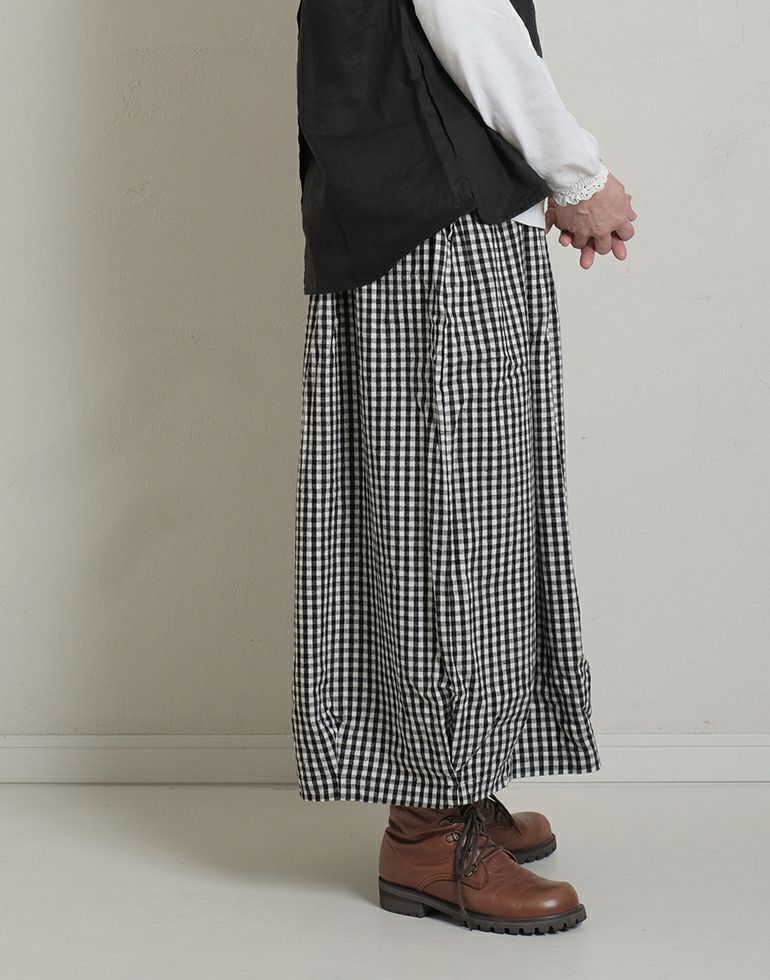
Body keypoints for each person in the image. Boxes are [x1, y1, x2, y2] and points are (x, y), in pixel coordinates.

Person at [292, 0, 636, 936]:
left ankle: (452, 785)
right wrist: (577, 173)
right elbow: (464, 11)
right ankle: (431, 833)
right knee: (449, 521)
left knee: (457, 511)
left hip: (408, 204)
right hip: (434, 221)